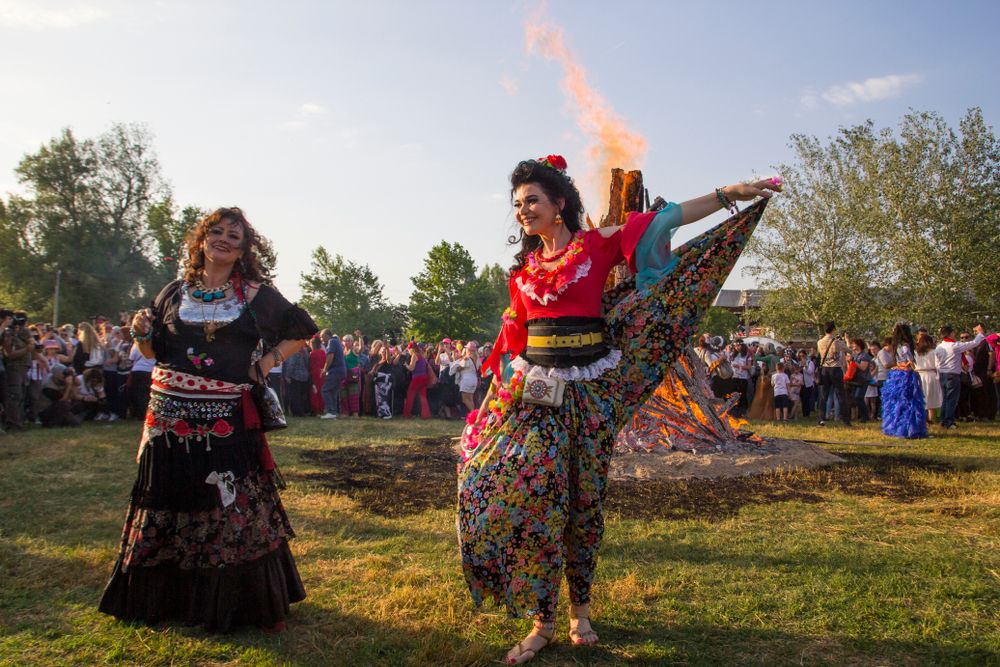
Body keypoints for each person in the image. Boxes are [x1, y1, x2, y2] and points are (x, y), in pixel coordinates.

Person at [457, 155, 778, 663]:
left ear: (558, 203)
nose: (523, 210)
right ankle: (542, 621)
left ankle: (579, 612)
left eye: (532, 200)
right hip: (533, 399)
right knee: (533, 496)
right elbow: (513, 340)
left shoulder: (595, 245)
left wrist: (729, 194)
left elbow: (665, 220)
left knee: (584, 501)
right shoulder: (522, 272)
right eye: (517, 204)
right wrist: (488, 406)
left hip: (590, 396)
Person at [98, 207, 318, 632]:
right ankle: (166, 601)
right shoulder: (173, 293)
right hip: (168, 420)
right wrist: (141, 332)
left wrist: (266, 362)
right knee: (169, 499)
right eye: (216, 232)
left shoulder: (256, 296)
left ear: (244, 249)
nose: (223, 240)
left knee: (226, 502)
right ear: (201, 241)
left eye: (234, 236)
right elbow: (152, 352)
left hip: (225, 419)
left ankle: (234, 604)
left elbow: (301, 330)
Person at [935, 324, 986, 429]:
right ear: (950, 334)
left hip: (942, 374)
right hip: (952, 374)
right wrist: (980, 333)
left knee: (946, 398)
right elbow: (974, 343)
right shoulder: (955, 346)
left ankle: (943, 420)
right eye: (953, 332)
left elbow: (936, 363)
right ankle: (949, 422)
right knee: (952, 399)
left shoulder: (939, 346)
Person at [881, 323, 926, 439]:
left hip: (896, 375)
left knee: (896, 402)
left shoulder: (896, 347)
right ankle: (909, 429)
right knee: (909, 402)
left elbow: (897, 362)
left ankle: (894, 427)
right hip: (906, 376)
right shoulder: (905, 346)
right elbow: (910, 361)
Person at [815, 323, 850, 426]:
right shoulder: (837, 342)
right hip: (836, 369)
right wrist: (846, 340)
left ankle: (821, 419)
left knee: (823, 395)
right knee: (841, 395)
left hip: (825, 369)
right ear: (833, 329)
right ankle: (846, 420)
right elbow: (848, 350)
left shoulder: (819, 342)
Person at [913, 332, 942, 424]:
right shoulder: (934, 352)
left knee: (921, 397)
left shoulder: (915, 353)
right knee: (931, 398)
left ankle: (922, 419)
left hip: (919, 375)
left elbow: (913, 365)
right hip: (931, 375)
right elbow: (938, 365)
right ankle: (931, 419)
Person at [320, 329, 346, 419]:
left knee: (325, 390)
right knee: (333, 391)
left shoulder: (331, 342)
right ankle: (334, 413)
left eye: (322, 337)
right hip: (341, 370)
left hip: (335, 370)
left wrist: (325, 369)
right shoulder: (337, 341)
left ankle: (331, 411)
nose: (321, 339)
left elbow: (330, 356)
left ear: (326, 335)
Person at [403, 341, 432, 419]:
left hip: (417, 378)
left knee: (410, 395)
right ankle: (426, 415)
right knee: (423, 397)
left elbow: (411, 368)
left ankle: (407, 414)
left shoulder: (414, 355)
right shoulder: (422, 355)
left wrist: (406, 365)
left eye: (408, 349)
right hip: (424, 377)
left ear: (411, 349)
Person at [307, 337, 326, 415]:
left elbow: (310, 365)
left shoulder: (312, 353)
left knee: (314, 391)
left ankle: (315, 410)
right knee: (321, 391)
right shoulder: (323, 352)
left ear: (313, 344)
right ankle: (321, 409)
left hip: (314, 374)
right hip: (322, 373)